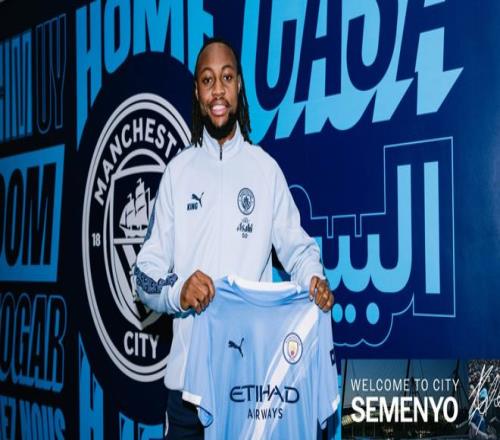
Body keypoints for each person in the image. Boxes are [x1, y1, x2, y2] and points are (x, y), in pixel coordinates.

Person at [133, 37, 334, 439]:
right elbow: (144, 274)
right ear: (197, 92)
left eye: (226, 78)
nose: (218, 91)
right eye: (207, 80)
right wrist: (179, 291)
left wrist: (313, 277)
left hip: (251, 389)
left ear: (239, 85)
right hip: (187, 390)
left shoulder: (265, 170)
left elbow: (298, 250)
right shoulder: (177, 172)